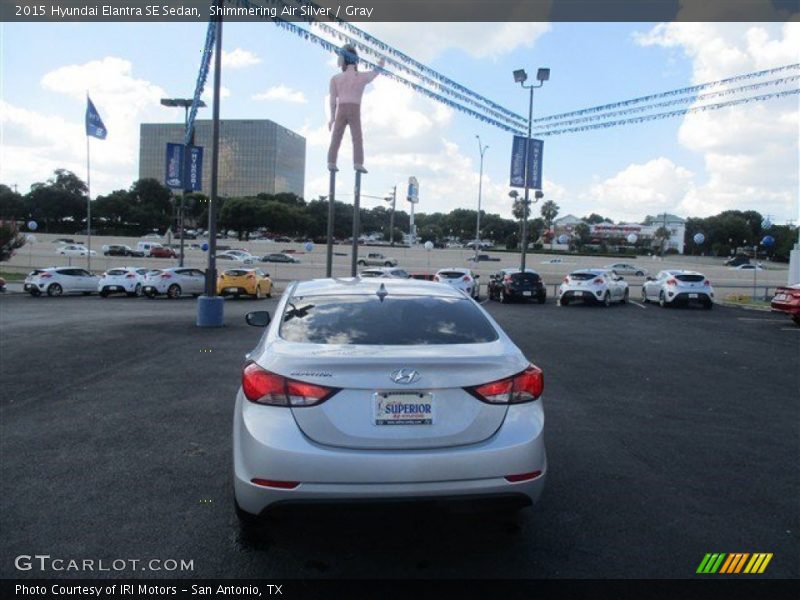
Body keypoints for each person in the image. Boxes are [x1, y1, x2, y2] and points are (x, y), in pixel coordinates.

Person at [327, 44, 385, 173]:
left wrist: (332, 118)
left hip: (341, 108)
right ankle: (358, 163)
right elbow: (375, 73)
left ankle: (331, 161)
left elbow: (332, 100)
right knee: (357, 138)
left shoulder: (335, 78)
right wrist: (381, 64)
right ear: (356, 60)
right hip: (355, 108)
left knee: (336, 137)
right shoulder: (361, 77)